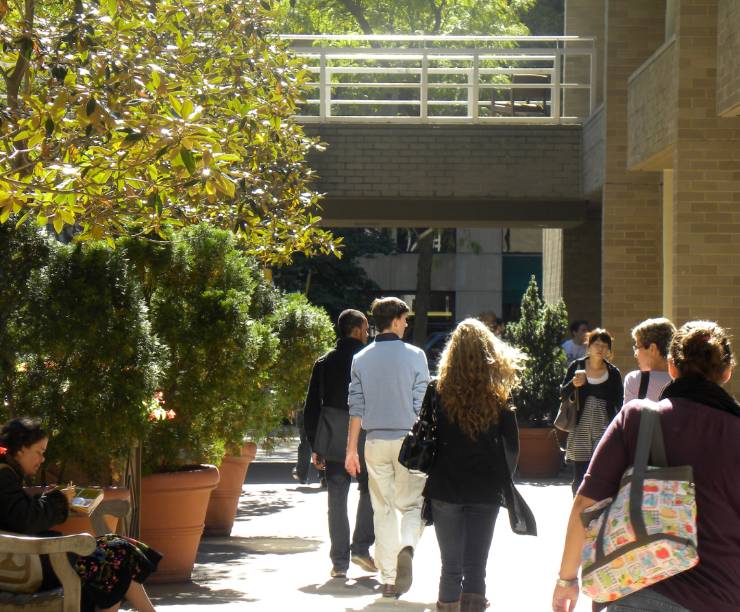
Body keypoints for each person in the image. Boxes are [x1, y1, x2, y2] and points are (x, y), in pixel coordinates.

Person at [552, 321, 740, 612]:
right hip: (719, 596)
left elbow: (585, 504)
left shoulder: (637, 418)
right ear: (727, 373)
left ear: (672, 367)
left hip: (635, 590)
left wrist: (567, 580)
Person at [0, 417, 160, 612]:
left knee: (116, 554)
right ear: (22, 448)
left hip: (26, 559)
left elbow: (18, 514)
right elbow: (26, 520)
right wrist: (58, 500)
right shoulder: (4, 476)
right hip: (24, 565)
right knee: (116, 553)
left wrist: (52, 499)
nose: (42, 459)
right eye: (39, 452)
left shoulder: (7, 474)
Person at [422, 319, 528, 612]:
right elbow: (512, 445)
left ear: (451, 353)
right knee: (476, 568)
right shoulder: (499, 394)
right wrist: (503, 479)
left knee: (450, 568)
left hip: (446, 486)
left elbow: (425, 434)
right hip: (485, 487)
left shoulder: (437, 390)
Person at [346, 297, 430, 599]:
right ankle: (407, 545)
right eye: (405, 319)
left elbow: (356, 406)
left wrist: (350, 450)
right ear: (395, 320)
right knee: (412, 505)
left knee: (381, 510)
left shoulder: (361, 358)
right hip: (408, 441)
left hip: (374, 442)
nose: (407, 324)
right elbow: (422, 403)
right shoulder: (416, 356)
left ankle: (390, 579)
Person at [303, 309, 376, 579]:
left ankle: (339, 563)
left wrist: (315, 444)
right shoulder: (369, 361)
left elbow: (311, 408)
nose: (368, 334)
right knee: (370, 491)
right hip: (366, 433)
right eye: (366, 329)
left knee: (336, 499)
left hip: (333, 436)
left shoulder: (324, 362)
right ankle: (361, 547)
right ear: (356, 330)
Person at [560, 328, 623, 495]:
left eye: (604, 345)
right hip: (580, 425)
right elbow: (562, 393)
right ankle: (576, 506)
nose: (600, 348)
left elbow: (618, 402)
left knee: (599, 470)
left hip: (603, 425)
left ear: (609, 349)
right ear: (589, 346)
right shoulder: (577, 366)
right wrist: (574, 384)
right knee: (580, 473)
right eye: (596, 344)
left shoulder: (613, 372)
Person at [623, 317, 675, 403]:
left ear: (652, 349)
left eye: (637, 347)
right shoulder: (686, 381)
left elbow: (628, 416)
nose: (635, 354)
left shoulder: (635, 380)